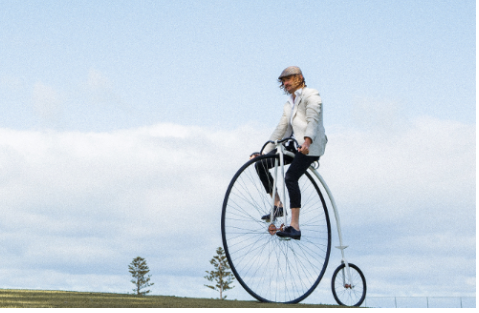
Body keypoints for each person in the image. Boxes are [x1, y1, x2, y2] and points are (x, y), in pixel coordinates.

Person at [255, 66, 327, 240]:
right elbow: (281, 130)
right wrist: (264, 153)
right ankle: (278, 205)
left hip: (311, 146)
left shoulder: (312, 95)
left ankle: (294, 226)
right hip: (295, 146)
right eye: (283, 81)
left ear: (300, 78)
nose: (285, 83)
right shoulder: (289, 103)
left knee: (290, 177)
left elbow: (313, 121)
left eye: (288, 79)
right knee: (261, 164)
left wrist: (308, 141)